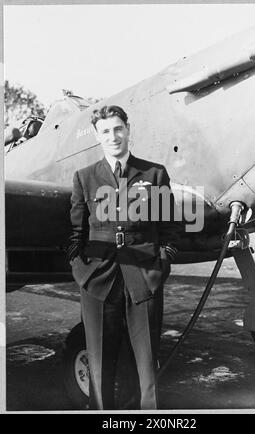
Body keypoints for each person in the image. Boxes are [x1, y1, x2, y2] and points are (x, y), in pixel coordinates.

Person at [67, 105, 182, 410]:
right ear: (97, 136)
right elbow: (75, 234)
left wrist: (162, 263)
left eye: (118, 128)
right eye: (105, 131)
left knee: (145, 365)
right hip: (98, 279)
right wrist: (82, 272)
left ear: (129, 129)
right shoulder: (84, 177)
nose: (113, 136)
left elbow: (169, 227)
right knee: (100, 363)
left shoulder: (154, 174)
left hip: (144, 275)